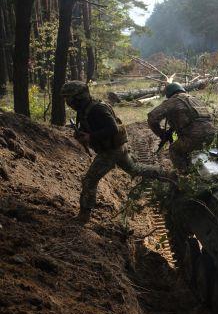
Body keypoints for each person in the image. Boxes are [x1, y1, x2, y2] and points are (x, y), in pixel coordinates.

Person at [61, 81, 166, 223]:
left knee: (89, 180)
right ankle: (165, 174)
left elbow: (113, 128)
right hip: (115, 148)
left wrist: (91, 137)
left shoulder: (98, 109)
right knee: (134, 168)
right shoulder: (83, 109)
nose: (68, 102)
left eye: (69, 98)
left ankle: (84, 216)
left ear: (80, 96)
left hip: (111, 151)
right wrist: (82, 134)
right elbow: (89, 127)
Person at [147, 82, 216, 171]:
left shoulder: (172, 101)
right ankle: (194, 170)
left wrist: (161, 134)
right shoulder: (195, 99)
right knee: (189, 149)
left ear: (169, 93)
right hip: (211, 134)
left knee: (174, 150)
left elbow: (152, 117)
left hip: (194, 137)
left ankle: (183, 176)